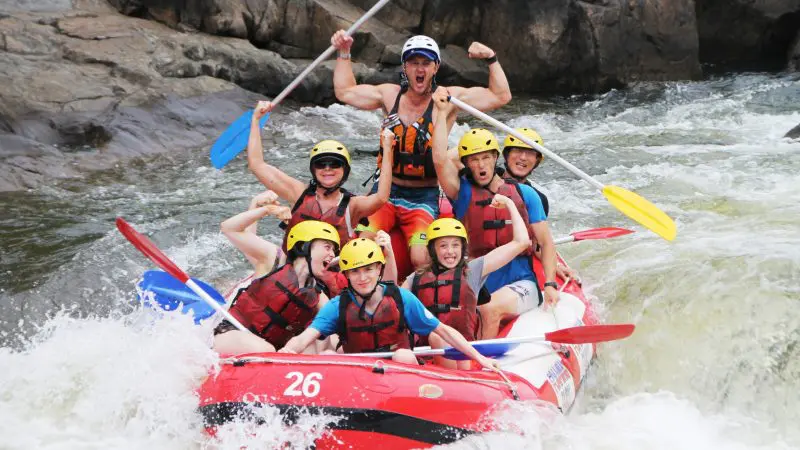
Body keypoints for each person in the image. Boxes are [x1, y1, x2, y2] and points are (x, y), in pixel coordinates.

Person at [329, 31, 512, 269]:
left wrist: (491, 59)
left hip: (423, 195)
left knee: (420, 258)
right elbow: (345, 92)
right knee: (365, 243)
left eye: (426, 63)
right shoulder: (389, 94)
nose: (420, 69)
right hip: (385, 191)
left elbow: (501, 96)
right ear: (405, 67)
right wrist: (344, 52)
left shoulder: (449, 99)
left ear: (435, 67)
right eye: (414, 63)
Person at [430, 90, 560, 339]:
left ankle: (485, 371)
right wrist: (443, 114)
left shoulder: (525, 195)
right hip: (479, 278)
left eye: (486, 158)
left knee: (487, 308)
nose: (481, 165)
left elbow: (545, 242)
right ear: (466, 164)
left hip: (521, 283)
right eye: (474, 160)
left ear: (495, 158)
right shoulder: (461, 192)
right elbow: (438, 160)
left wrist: (551, 282)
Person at [279, 237, 499, 370]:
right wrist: (284, 354)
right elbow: (304, 338)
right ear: (346, 275)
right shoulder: (338, 305)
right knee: (326, 356)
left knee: (403, 354)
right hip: (357, 370)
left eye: (368, 269)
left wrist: (479, 358)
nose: (362, 277)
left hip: (397, 374)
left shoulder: (400, 298)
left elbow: (444, 331)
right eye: (355, 272)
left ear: (379, 270)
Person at [246, 101, 395, 252]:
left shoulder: (353, 206)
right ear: (313, 169)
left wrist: (387, 148)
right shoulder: (298, 193)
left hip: (332, 273)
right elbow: (257, 165)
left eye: (335, 164)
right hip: (295, 270)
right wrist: (255, 120)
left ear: (345, 170)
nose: (327, 169)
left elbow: (381, 197)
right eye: (321, 164)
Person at [401, 204, 530, 368]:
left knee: (437, 336)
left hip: (463, 355)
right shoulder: (416, 278)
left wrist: (509, 204)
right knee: (434, 337)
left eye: (455, 245)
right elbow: (394, 305)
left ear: (463, 248)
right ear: (433, 250)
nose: (450, 251)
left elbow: (521, 242)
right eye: (443, 246)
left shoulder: (473, 271)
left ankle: (452, 381)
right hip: (426, 355)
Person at [213, 221, 339, 354]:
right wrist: (264, 208)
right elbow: (229, 228)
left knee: (327, 346)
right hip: (231, 333)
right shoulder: (274, 260)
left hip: (272, 349)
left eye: (333, 250)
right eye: (327, 247)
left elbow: (329, 327)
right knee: (266, 349)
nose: (332, 254)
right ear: (304, 246)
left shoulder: (317, 295)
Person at [501, 127, 579, 282]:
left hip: (513, 257)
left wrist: (555, 265)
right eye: (517, 150)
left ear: (537, 161)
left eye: (530, 153)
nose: (523, 157)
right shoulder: (486, 178)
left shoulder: (538, 199)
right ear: (506, 155)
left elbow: (538, 245)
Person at [220, 190, 291, 277]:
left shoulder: (273, 257)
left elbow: (228, 228)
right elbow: (249, 244)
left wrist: (267, 209)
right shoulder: (291, 263)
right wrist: (256, 204)